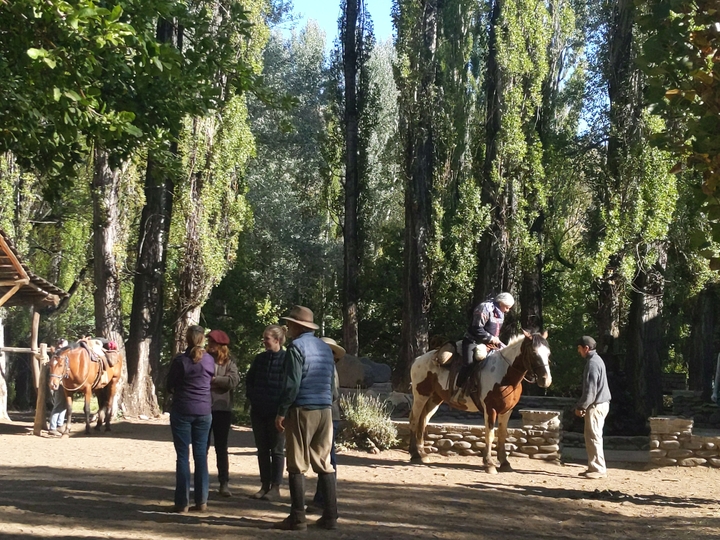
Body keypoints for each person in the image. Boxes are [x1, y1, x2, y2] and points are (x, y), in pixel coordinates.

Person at [274, 306, 337, 531]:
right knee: (324, 463)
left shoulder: (296, 348)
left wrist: (282, 411)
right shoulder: (325, 347)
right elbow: (332, 383)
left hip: (303, 409)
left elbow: (292, 383)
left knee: (297, 463)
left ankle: (297, 518)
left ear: (297, 326)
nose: (287, 327)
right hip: (325, 409)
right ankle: (330, 517)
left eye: (290, 323)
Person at [166, 325, 215, 513]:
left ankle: (182, 502)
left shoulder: (180, 360)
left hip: (183, 409)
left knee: (182, 456)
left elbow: (171, 384)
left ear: (187, 339)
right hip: (204, 410)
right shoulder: (210, 360)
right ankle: (202, 500)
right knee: (201, 455)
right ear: (202, 339)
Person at [246, 324, 287, 501]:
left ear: (277, 340)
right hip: (259, 411)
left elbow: (290, 385)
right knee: (262, 450)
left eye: (267, 338)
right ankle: (264, 485)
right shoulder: (260, 359)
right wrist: (253, 398)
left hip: (278, 413)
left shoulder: (287, 359)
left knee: (277, 450)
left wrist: (283, 409)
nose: (264, 341)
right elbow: (250, 380)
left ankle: (276, 487)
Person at [306, 337, 343, 514]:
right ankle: (324, 497)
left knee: (327, 457)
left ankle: (325, 499)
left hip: (329, 415)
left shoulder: (329, 369)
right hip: (329, 414)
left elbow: (333, 393)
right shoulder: (329, 368)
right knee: (326, 456)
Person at [206, 329, 239, 498]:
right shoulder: (202, 358)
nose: (209, 345)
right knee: (201, 448)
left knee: (221, 448)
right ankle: (201, 481)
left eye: (212, 343)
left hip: (222, 410)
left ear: (220, 346)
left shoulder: (229, 362)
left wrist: (214, 380)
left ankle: (224, 482)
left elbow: (233, 381)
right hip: (203, 409)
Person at [458, 292, 514, 387]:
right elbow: (476, 328)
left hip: (490, 343)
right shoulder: (484, 308)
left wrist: (496, 340)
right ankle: (458, 388)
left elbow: (495, 330)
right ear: (501, 303)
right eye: (507, 307)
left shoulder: (501, 313)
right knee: (469, 363)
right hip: (473, 341)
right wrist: (491, 338)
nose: (507, 310)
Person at [574, 335, 612, 480]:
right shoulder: (597, 360)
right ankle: (593, 466)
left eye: (579, 348)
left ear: (586, 348)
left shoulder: (592, 364)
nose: (579, 352)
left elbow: (591, 391)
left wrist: (581, 406)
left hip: (596, 405)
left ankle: (598, 468)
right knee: (591, 436)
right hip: (600, 404)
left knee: (594, 436)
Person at [48, 339, 69, 437]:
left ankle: (60, 424)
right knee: (58, 405)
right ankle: (52, 427)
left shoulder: (62, 357)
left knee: (64, 404)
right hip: (57, 383)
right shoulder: (56, 357)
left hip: (62, 383)